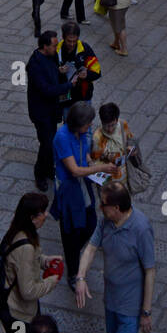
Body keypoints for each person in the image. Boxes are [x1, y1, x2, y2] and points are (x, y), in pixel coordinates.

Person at [74, 181, 155, 333]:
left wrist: (146, 312)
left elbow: (150, 271)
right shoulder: (105, 221)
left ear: (116, 208)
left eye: (103, 204)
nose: (100, 207)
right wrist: (81, 277)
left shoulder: (141, 229)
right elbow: (91, 248)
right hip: (110, 300)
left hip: (130, 307)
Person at [51, 102, 116, 290]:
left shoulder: (82, 133)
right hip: (70, 190)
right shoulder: (62, 138)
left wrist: (92, 162)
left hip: (83, 186)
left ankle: (76, 252)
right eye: (87, 124)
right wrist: (101, 168)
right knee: (70, 232)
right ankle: (72, 271)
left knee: (90, 224)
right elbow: (74, 170)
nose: (90, 127)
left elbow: (85, 155)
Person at [1, 191, 60, 333]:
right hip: (18, 314)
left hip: (20, 307)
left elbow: (24, 259)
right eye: (42, 212)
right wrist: (52, 280)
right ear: (32, 218)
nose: (45, 215)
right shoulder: (26, 247)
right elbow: (28, 292)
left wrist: (44, 261)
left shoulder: (19, 230)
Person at [26, 30, 75, 192]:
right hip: (41, 112)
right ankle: (40, 172)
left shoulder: (51, 56)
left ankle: (47, 168)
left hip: (52, 109)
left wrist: (59, 72)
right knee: (46, 143)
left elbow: (53, 72)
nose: (57, 48)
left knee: (50, 141)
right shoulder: (35, 65)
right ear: (44, 46)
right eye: (54, 45)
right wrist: (69, 85)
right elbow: (47, 90)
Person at [57, 21, 101, 115]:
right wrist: (58, 71)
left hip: (83, 97)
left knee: (85, 126)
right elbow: (48, 73)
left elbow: (97, 72)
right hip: (65, 96)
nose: (72, 44)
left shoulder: (85, 49)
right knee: (68, 123)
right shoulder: (56, 50)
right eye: (69, 41)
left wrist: (87, 75)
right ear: (63, 37)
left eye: (75, 41)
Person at [90, 103, 136, 190]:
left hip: (125, 177)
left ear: (117, 119)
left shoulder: (123, 125)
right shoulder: (97, 137)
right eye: (106, 126)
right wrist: (106, 156)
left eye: (112, 125)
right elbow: (95, 160)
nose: (110, 129)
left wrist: (131, 149)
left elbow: (130, 140)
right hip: (108, 182)